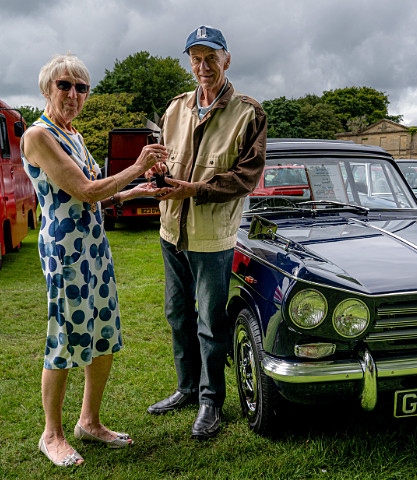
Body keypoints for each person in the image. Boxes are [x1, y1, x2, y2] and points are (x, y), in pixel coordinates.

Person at [21, 53, 168, 467]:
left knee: (103, 336)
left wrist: (139, 190)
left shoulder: (75, 135)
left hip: (95, 248)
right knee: (65, 340)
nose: (73, 94)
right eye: (64, 85)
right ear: (47, 88)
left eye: (81, 87)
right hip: (66, 252)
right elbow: (85, 190)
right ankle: (51, 435)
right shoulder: (39, 136)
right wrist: (138, 163)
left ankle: (90, 421)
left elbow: (99, 193)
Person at [145, 25, 267, 440]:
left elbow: (245, 178)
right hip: (171, 231)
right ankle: (185, 388)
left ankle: (211, 401)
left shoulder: (248, 113)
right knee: (178, 315)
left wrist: (194, 189)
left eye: (210, 58)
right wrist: (156, 171)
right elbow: (163, 156)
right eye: (196, 58)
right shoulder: (175, 108)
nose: (203, 66)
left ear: (226, 59)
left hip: (212, 239)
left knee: (211, 323)